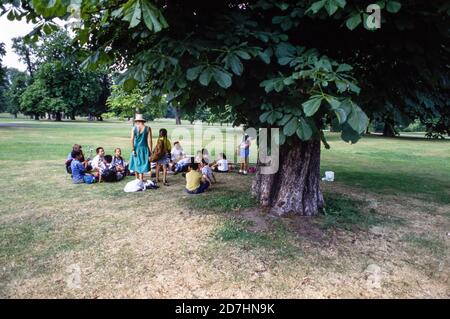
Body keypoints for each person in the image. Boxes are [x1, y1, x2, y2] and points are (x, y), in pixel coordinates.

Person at [129, 114, 153, 184]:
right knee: (142, 164)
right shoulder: (148, 128)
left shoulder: (134, 128)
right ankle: (141, 180)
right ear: (143, 121)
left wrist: (133, 149)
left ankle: (137, 179)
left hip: (136, 148)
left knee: (136, 163)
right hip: (144, 148)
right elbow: (149, 141)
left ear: (137, 121)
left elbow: (131, 139)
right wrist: (150, 151)